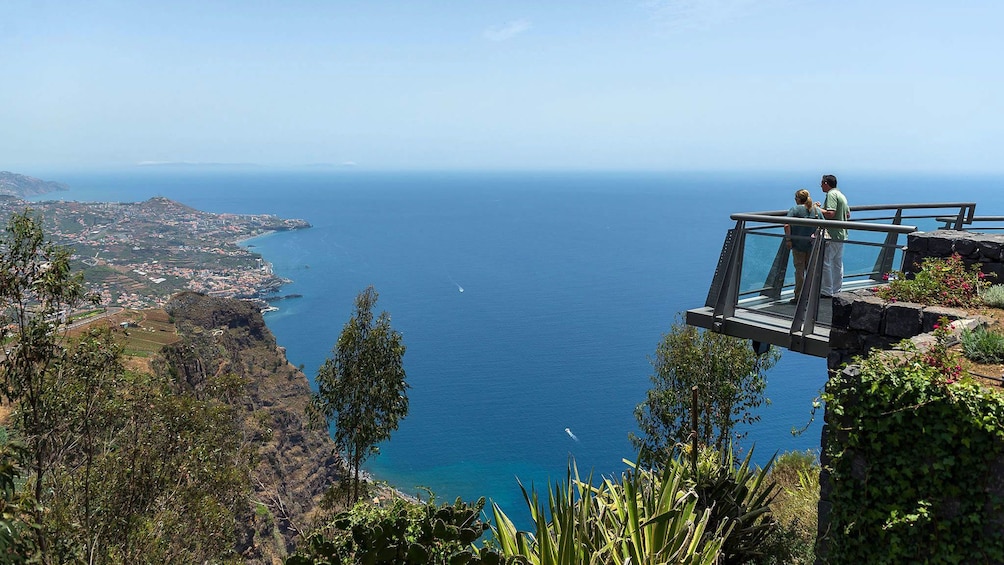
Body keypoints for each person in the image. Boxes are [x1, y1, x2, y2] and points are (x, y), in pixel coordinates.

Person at [784, 189, 822, 302]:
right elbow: (822, 225)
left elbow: (787, 225)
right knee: (811, 270)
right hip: (812, 245)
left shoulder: (795, 209)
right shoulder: (816, 210)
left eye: (796, 197)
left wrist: (788, 240)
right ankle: (811, 295)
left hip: (798, 244)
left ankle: (799, 296)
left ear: (799, 199)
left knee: (799, 271)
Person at [816, 174, 850, 297]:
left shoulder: (831, 195)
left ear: (826, 183)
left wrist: (817, 209)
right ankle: (836, 289)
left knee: (826, 262)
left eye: (821, 183)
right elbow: (848, 215)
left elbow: (830, 213)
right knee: (837, 263)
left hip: (832, 233)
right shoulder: (841, 195)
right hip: (842, 233)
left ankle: (826, 290)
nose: (820, 185)